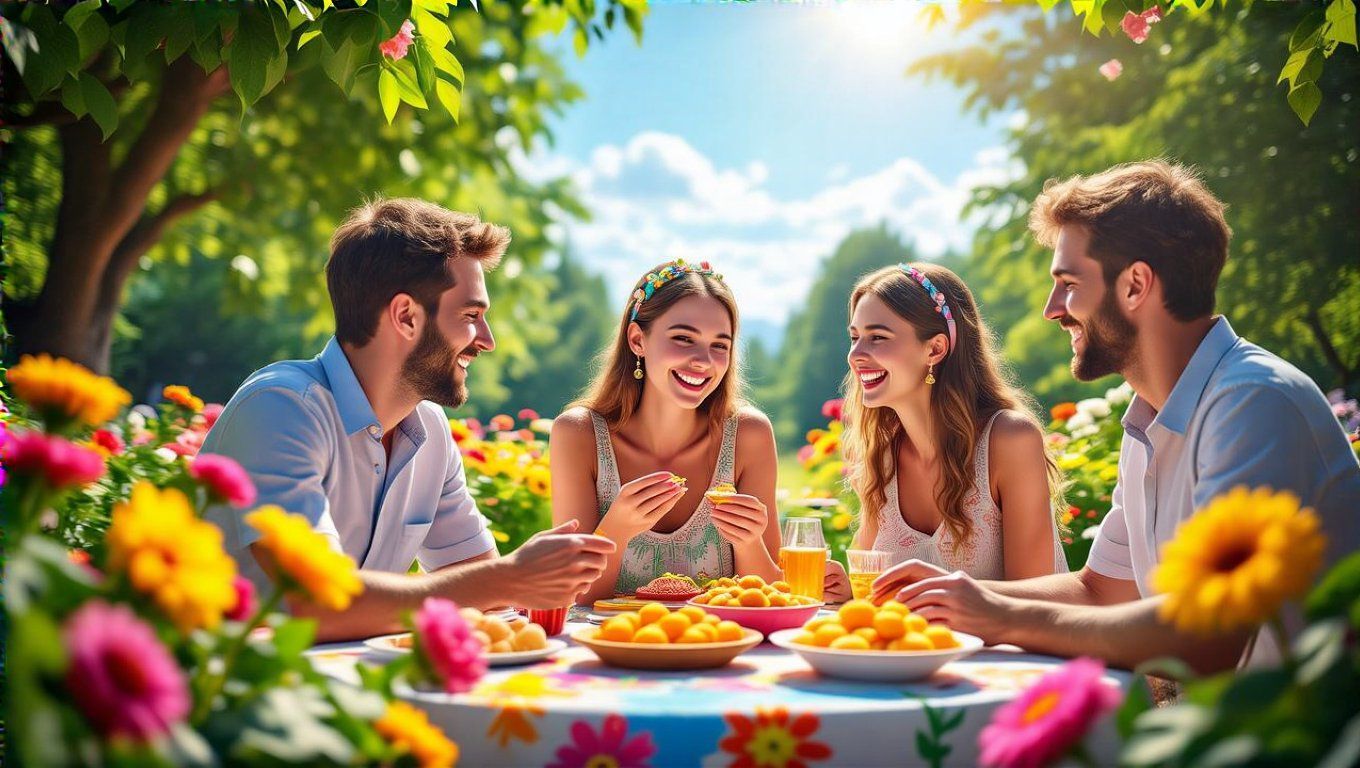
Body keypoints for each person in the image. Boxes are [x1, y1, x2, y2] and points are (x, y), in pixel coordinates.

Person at [872, 161, 1360, 671]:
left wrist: (997, 615)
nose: (1052, 308)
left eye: (1067, 282)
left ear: (1134, 285)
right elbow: (1101, 591)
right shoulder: (1149, 421)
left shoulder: (1253, 403)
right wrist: (946, 596)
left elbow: (1211, 633)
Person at [203, 198, 614, 642]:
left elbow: (481, 589)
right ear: (406, 317)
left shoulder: (429, 430)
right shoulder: (282, 408)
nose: (487, 340)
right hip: (221, 697)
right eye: (472, 316)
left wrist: (522, 578)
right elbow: (315, 601)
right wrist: (506, 578)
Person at [823, 263, 1067, 603]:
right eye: (855, 338)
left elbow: (1034, 600)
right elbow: (873, 595)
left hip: (1014, 656)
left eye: (877, 337)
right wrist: (849, 591)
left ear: (935, 349)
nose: (855, 355)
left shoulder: (1009, 441)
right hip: (921, 655)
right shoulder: (883, 456)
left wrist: (928, 592)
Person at [551, 259, 782, 604]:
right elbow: (574, 599)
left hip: (718, 648)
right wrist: (616, 529)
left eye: (720, 345)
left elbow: (770, 597)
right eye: (683, 338)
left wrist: (748, 542)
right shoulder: (579, 435)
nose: (703, 361)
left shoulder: (749, 435)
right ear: (637, 340)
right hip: (615, 650)